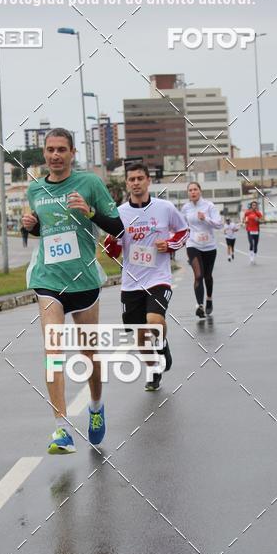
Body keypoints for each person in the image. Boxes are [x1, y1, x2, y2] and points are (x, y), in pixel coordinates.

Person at [22, 128, 124, 453]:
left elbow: (118, 228)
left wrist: (90, 213)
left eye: (61, 149)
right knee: (53, 352)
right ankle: (61, 429)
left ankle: (95, 406)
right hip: (48, 281)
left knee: (88, 354)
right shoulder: (34, 190)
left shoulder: (90, 183)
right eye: (50, 149)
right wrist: (32, 226)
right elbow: (46, 230)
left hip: (84, 282)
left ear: (72, 152)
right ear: (44, 154)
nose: (55, 155)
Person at [104, 163, 188, 391]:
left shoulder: (165, 208)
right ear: (127, 183)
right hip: (131, 282)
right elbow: (113, 251)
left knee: (154, 320)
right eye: (131, 179)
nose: (136, 182)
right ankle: (153, 370)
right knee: (140, 337)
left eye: (140, 178)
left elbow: (183, 231)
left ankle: (162, 345)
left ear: (148, 180)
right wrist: (111, 242)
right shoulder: (119, 213)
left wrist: (169, 244)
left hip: (158, 277)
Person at [182, 181, 222, 317]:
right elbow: (181, 226)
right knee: (198, 275)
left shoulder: (209, 206)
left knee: (207, 276)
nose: (192, 192)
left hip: (210, 246)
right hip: (193, 244)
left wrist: (205, 218)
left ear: (200, 191)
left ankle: (209, 299)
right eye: (190, 190)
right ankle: (200, 306)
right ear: (188, 193)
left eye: (195, 189)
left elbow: (219, 224)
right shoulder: (185, 208)